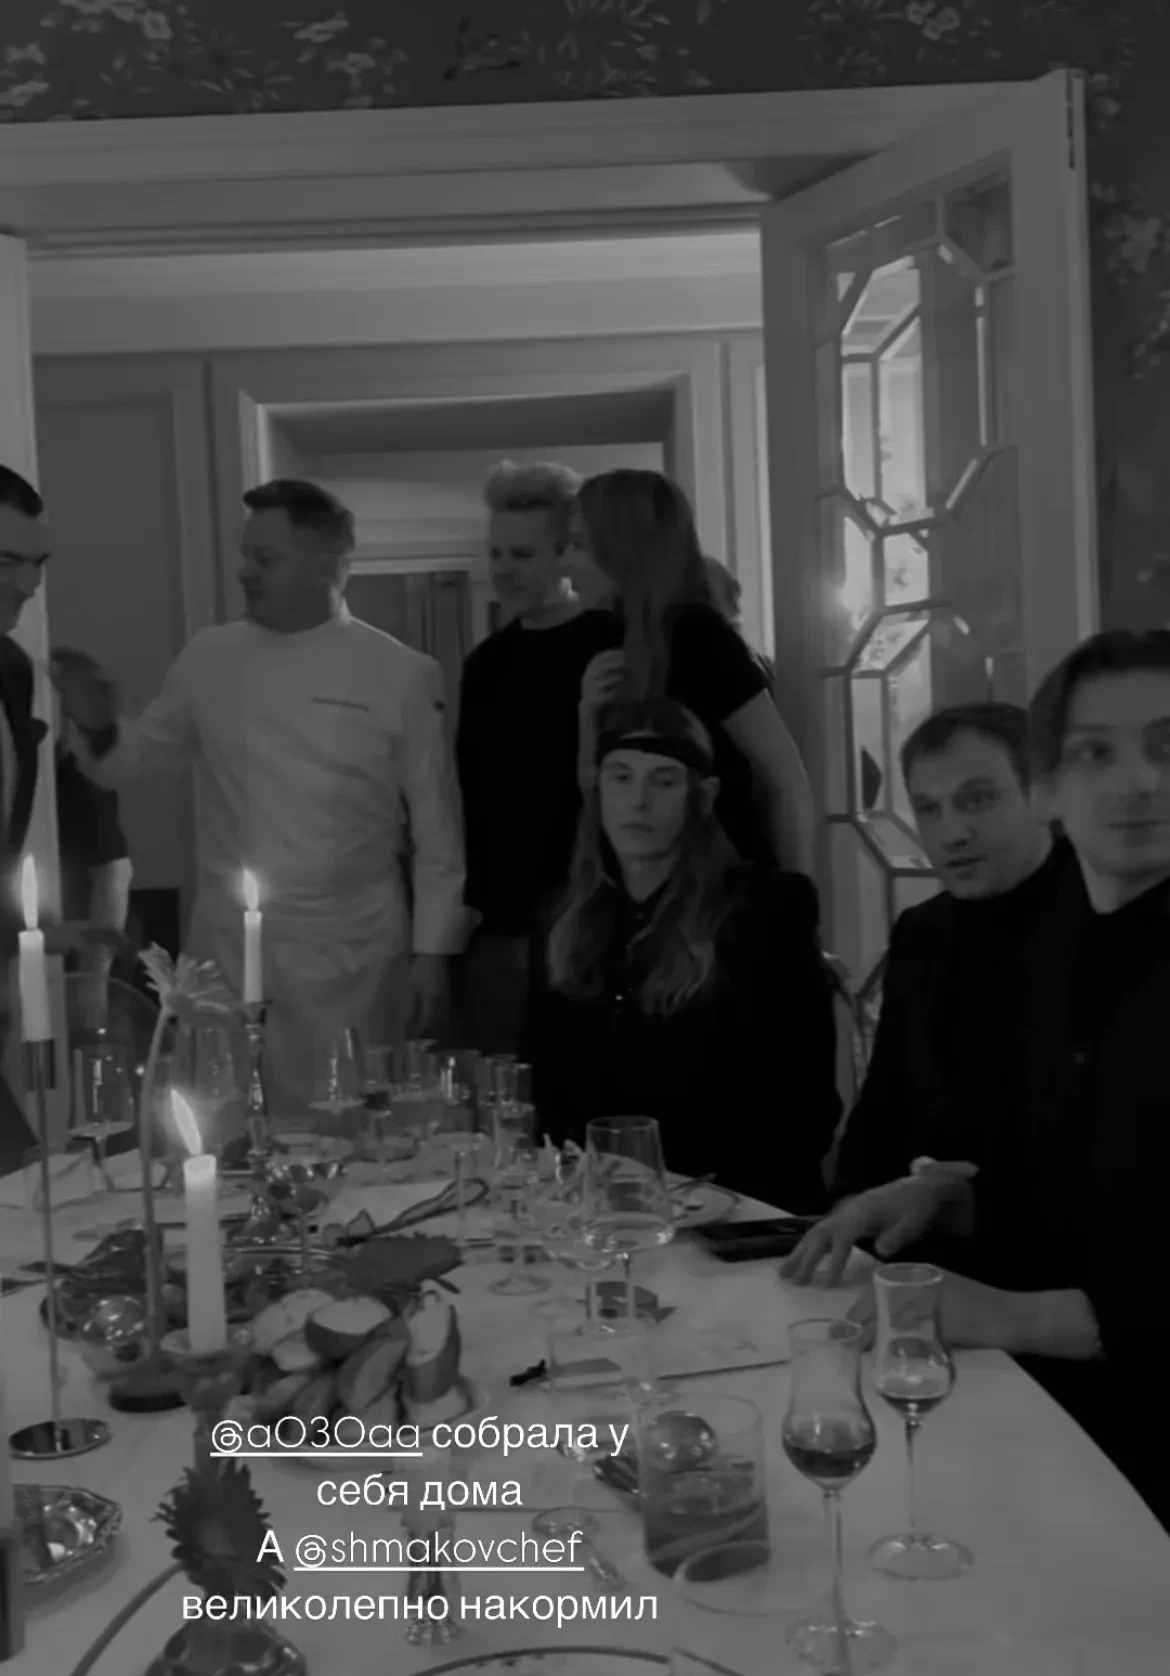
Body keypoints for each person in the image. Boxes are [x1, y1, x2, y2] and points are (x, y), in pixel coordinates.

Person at [786, 629, 1170, 1532]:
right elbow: (1081, 1177)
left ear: (1036, 797)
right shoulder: (1010, 944)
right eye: (1097, 754)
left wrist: (1000, 1310)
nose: (1138, 782)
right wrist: (946, 1201)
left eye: (978, 799)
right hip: (998, 1339)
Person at [52, 477, 467, 1103]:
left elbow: (438, 828)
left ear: (327, 563)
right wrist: (99, 723)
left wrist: (432, 953)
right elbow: (140, 757)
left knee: (344, 1115)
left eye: (265, 558)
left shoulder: (404, 674)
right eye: (246, 555)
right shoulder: (210, 656)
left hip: (352, 948)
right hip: (224, 942)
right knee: (220, 1113)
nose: (245, 572)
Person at [526, 698, 839, 1208]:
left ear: (703, 795)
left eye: (664, 781)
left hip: (732, 1208)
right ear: (597, 790)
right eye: (621, 778)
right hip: (594, 1208)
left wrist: (696, 1201)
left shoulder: (765, 910)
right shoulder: (561, 920)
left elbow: (804, 1108)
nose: (638, 801)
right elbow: (541, 1092)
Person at [829, 702, 1078, 1202]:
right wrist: (842, 1217)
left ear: (1044, 796)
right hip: (912, 1233)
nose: (952, 834)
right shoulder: (922, 931)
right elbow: (884, 1106)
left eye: (978, 800)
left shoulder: (1111, 919)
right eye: (929, 809)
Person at [568, 470, 817, 874]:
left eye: (579, 545)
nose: (566, 564)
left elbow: (787, 780)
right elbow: (594, 789)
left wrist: (797, 899)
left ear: (621, 546)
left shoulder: (700, 636)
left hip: (721, 887)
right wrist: (588, 712)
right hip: (641, 885)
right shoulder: (603, 639)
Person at [454, 461, 617, 1054]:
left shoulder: (610, 642)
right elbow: (469, 792)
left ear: (565, 554)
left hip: (593, 909)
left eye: (521, 555)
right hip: (499, 925)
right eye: (495, 554)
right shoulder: (486, 664)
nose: (502, 570)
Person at [0, 466, 126, 1173]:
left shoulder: (11, 670)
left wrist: (42, 934)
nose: (29, 585)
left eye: (37, 562)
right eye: (6, 562)